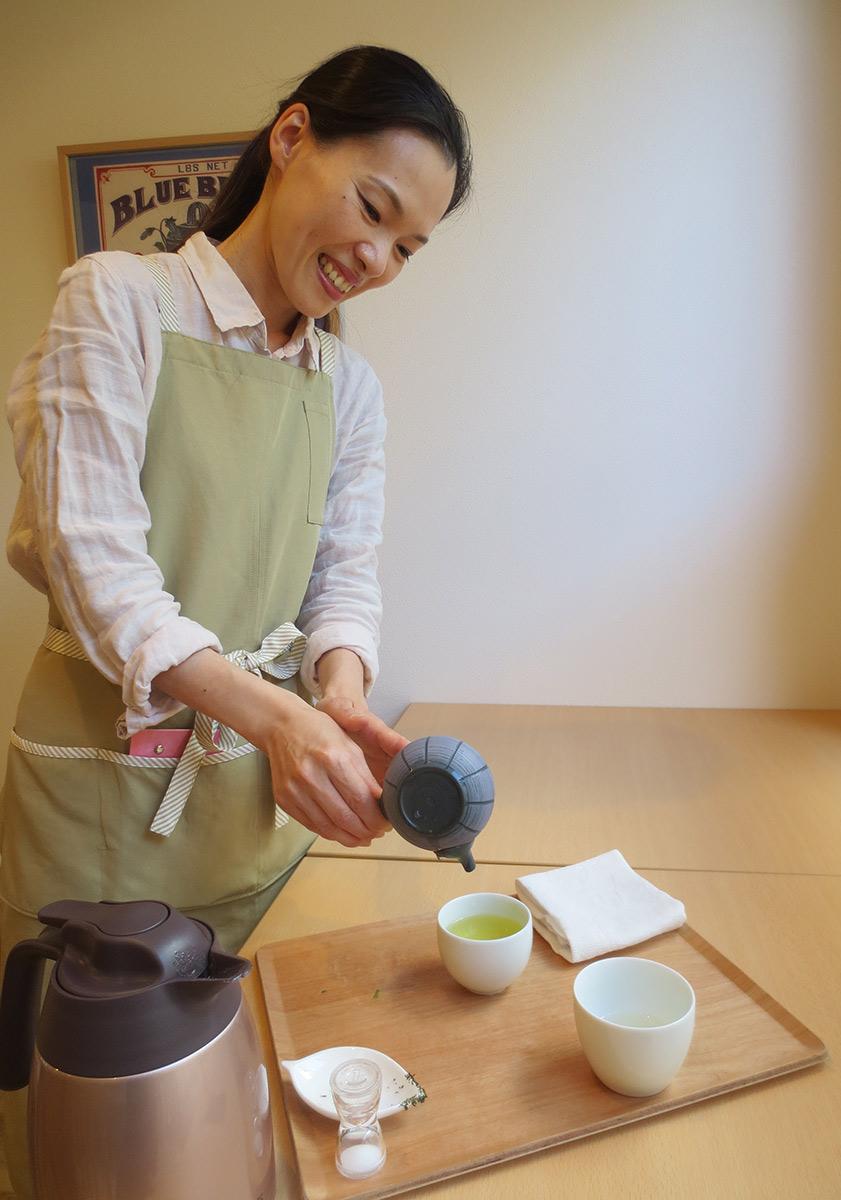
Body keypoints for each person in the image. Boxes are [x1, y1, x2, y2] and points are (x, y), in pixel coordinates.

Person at [0, 47, 471, 1191]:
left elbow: (342, 578)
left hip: (263, 818)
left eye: (409, 245)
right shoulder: (117, 301)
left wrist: (343, 705)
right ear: (293, 136)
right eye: (374, 208)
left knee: (253, 1126)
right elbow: (94, 566)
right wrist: (279, 718)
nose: (378, 257)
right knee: (100, 1148)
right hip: (104, 819)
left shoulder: (346, 388)